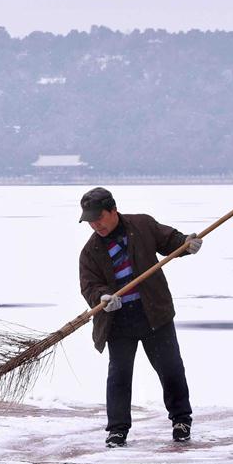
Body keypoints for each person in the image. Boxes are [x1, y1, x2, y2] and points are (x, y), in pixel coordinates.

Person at [77, 187, 202, 447]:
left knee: (170, 368)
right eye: (89, 221)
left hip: (154, 312)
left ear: (113, 211)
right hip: (118, 320)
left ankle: (181, 420)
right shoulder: (90, 252)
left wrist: (186, 244)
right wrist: (102, 298)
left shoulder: (142, 225)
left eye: (98, 218)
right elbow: (89, 286)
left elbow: (171, 241)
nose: (94, 225)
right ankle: (117, 430)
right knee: (119, 375)